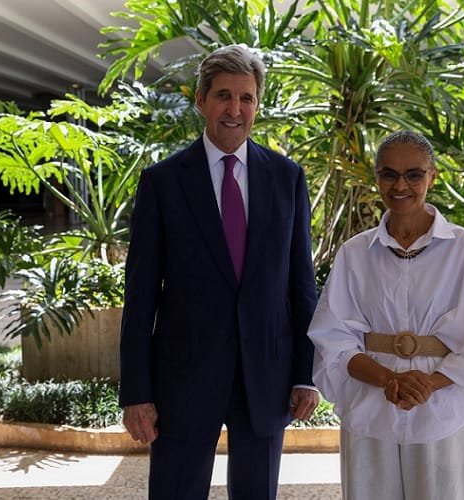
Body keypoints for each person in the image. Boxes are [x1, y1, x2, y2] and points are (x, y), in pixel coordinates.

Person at [119, 44, 320, 499]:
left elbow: (300, 286)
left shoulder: (287, 178)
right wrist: (136, 391)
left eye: (246, 98)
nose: (235, 109)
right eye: (224, 96)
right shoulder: (163, 182)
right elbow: (141, 296)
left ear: (257, 104)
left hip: (265, 380)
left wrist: (306, 373)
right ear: (200, 100)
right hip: (183, 381)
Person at [307, 130, 464, 499]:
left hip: (444, 409)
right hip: (370, 406)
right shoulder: (355, 254)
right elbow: (333, 338)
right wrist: (387, 379)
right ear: (377, 178)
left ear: (432, 176)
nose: (400, 185)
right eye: (389, 174)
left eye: (414, 174)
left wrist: (428, 384)